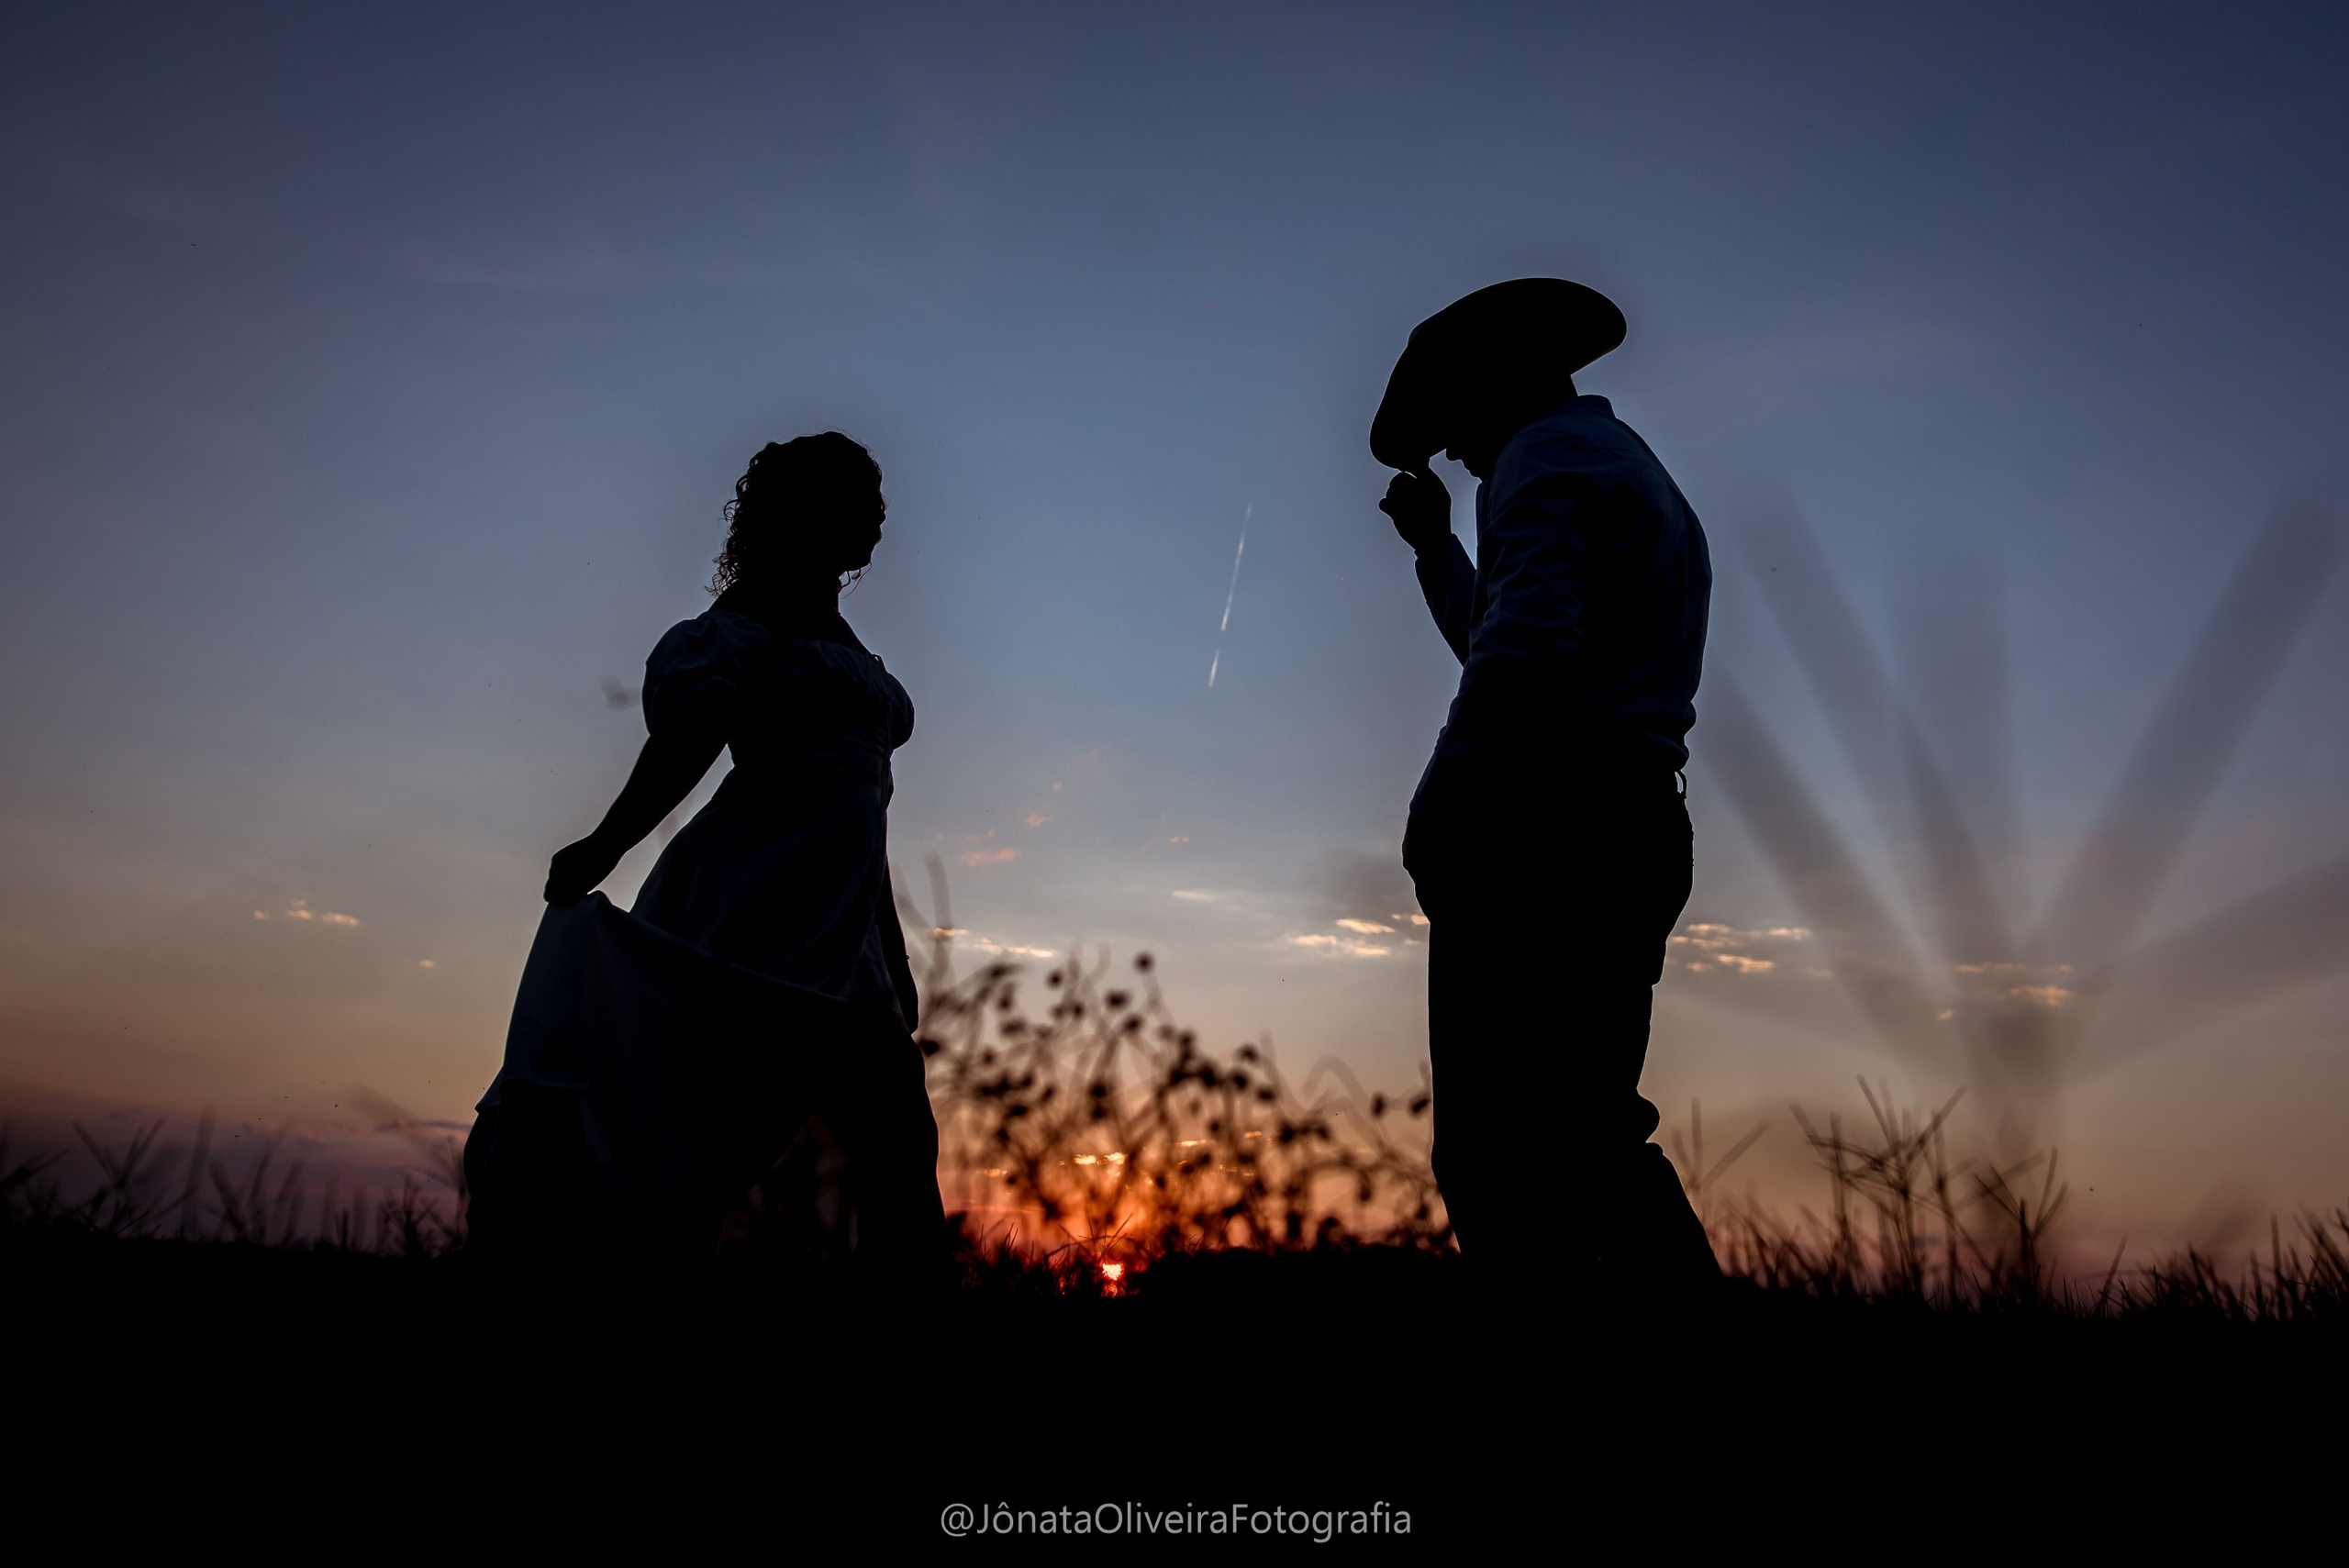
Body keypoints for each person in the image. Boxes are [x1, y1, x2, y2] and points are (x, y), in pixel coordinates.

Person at [463, 433, 945, 1280]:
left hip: (844, 924)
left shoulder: (842, 636)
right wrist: (606, 843)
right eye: (858, 498)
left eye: (877, 500)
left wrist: (891, 951)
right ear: (805, 510)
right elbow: (690, 740)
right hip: (753, 903)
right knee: (706, 1133)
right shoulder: (748, 620)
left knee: (897, 1132)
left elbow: (867, 815)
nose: (876, 515)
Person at [1371, 279, 1720, 1294]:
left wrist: (1444, 804)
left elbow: (1519, 656)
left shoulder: (1543, 457)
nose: (1455, 453)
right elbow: (1515, 630)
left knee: (1496, 1150)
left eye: (1453, 428)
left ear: (1494, 385)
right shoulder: (1618, 462)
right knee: (1587, 1130)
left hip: (1549, 823)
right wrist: (1437, 545)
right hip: (1630, 815)